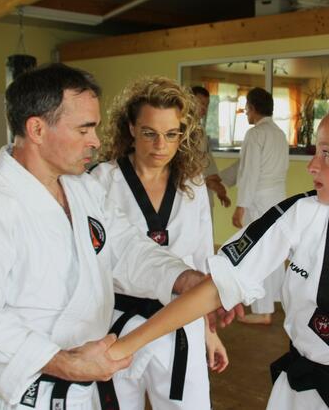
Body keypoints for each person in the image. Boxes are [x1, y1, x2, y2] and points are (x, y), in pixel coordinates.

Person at [106, 97, 329, 409]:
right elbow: (217, 287)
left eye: (327, 154)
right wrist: (122, 348)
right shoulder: (304, 215)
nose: (312, 165)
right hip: (296, 393)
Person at [0, 63, 217, 410]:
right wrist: (62, 362)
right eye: (84, 129)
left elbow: (126, 249)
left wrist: (182, 278)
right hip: (25, 394)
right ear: (37, 129)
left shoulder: (82, 189)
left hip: (83, 387)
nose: (95, 141)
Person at [91, 77, 228, 410]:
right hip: (118, 323)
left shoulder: (192, 185)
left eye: (171, 134)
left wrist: (209, 331)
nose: (160, 146)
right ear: (131, 128)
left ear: (183, 134)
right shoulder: (102, 180)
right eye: (149, 133)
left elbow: (201, 258)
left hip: (181, 321)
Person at [232, 87, 289, 325]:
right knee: (274, 250)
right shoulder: (279, 134)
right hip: (277, 198)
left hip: (258, 200)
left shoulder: (255, 134)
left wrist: (241, 206)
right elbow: (246, 168)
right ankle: (276, 300)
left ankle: (263, 310)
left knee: (257, 251)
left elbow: (250, 173)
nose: (246, 113)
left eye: (247, 108)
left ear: (253, 108)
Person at [191, 86, 231, 209]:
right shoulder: (181, 129)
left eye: (207, 105)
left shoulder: (200, 130)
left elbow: (206, 158)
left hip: (203, 188)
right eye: (201, 103)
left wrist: (216, 182)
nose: (204, 108)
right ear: (189, 100)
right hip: (190, 190)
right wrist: (208, 181)